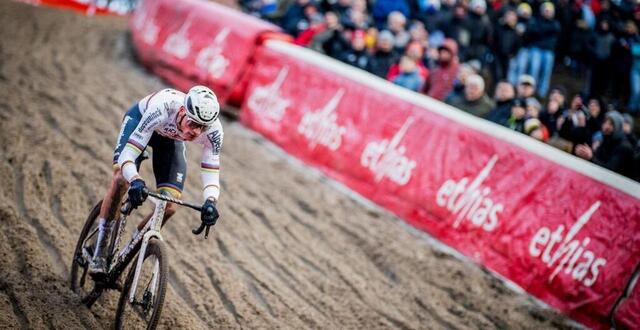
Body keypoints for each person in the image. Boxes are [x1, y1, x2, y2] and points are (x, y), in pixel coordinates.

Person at [88, 86, 223, 277]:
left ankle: (128, 251)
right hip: (141, 122)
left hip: (171, 141)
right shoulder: (163, 107)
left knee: (169, 205)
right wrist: (135, 180)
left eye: (203, 127)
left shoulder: (214, 130)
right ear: (183, 111)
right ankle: (100, 248)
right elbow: (128, 154)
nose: (196, 132)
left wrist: (211, 201)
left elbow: (211, 169)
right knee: (121, 180)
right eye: (193, 124)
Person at [575, 111, 635, 178]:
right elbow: (597, 159)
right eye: (605, 122)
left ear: (618, 127)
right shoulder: (606, 139)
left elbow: (609, 171)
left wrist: (591, 157)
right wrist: (585, 154)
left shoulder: (624, 147)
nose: (606, 126)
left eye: (611, 124)